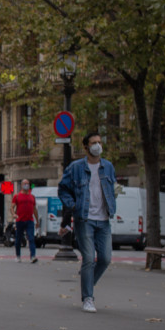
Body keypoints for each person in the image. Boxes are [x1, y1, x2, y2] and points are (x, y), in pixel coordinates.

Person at [58, 132, 116, 313]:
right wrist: (73, 206)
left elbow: (111, 189)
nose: (98, 145)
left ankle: (88, 282)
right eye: (94, 143)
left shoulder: (108, 167)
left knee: (105, 258)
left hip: (104, 220)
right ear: (86, 147)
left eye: (99, 142)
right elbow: (63, 189)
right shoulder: (75, 167)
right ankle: (88, 298)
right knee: (89, 258)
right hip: (85, 219)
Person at [11, 178, 42, 263]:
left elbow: (34, 209)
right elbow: (12, 207)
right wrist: (14, 214)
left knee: (31, 238)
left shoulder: (32, 197)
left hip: (29, 221)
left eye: (27, 184)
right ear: (21, 185)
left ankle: (33, 256)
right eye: (25, 183)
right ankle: (18, 256)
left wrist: (37, 221)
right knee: (18, 239)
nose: (26, 185)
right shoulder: (16, 196)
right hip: (20, 220)